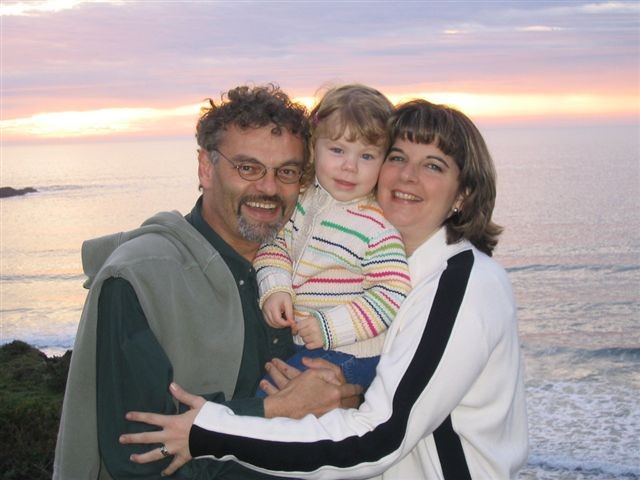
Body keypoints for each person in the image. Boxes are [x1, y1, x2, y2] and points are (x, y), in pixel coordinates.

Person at [120, 99, 529, 479]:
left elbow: (379, 438)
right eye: (397, 157)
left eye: (434, 166)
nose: (408, 175)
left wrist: (209, 432)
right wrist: (346, 392)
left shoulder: (462, 286)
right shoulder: (394, 269)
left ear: (463, 195)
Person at [53, 84, 322, 479]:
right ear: (205, 169)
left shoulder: (319, 270)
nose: (268, 188)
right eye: (248, 168)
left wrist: (345, 395)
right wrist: (274, 411)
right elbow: (139, 454)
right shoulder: (140, 278)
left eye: (287, 172)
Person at [254, 84, 411, 395]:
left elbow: (392, 292)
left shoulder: (376, 225)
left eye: (367, 156)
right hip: (308, 343)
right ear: (314, 148)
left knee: (272, 398)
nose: (349, 166)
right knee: (268, 389)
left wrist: (330, 327)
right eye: (337, 150)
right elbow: (275, 244)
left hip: (354, 352)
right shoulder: (301, 199)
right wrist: (275, 287)